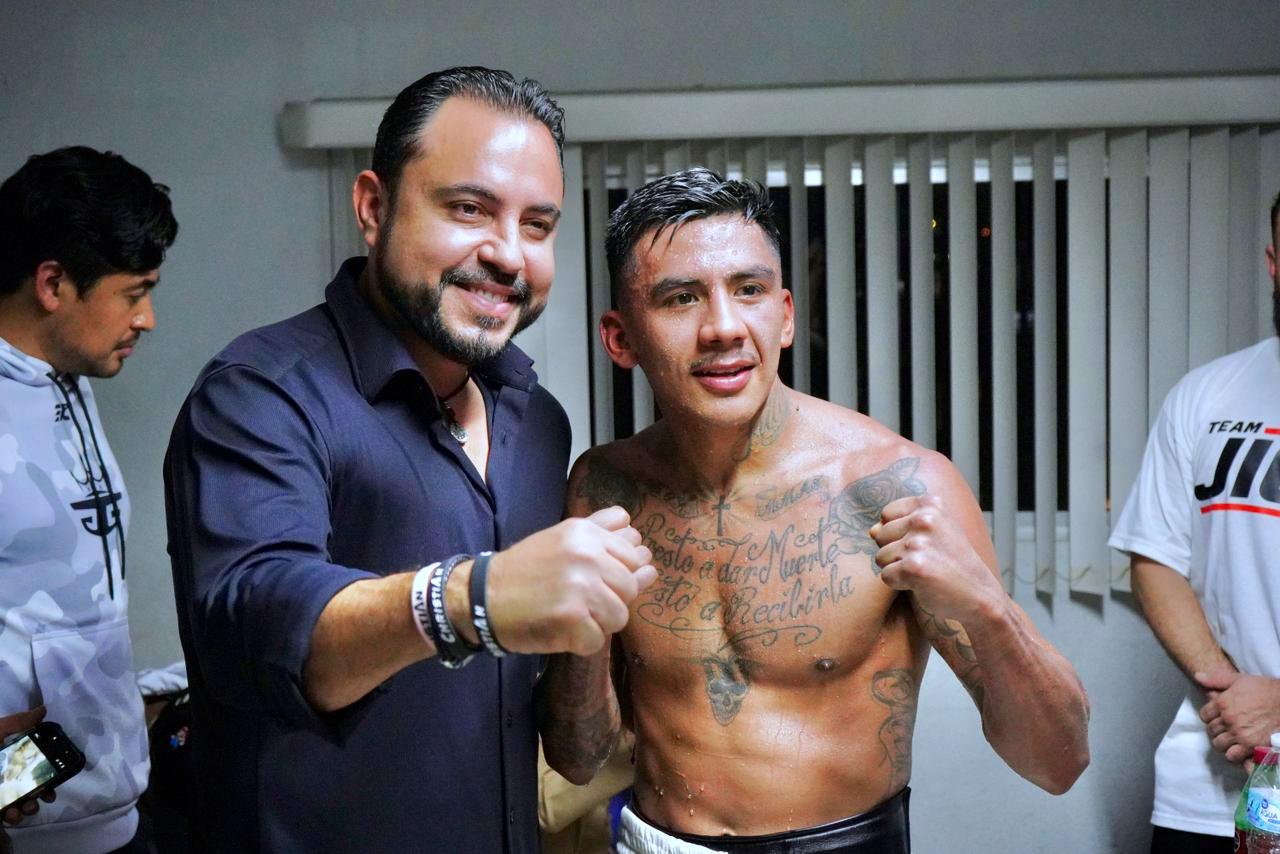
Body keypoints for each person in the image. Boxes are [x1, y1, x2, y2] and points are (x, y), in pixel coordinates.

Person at [163, 66, 654, 853]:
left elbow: (557, 736)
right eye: (469, 209)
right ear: (373, 206)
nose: (508, 254)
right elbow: (259, 618)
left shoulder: (540, 425)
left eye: (537, 225)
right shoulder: (261, 393)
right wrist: (472, 597)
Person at [541, 168, 1091, 853]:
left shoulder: (897, 487)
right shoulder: (604, 489)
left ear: (786, 315)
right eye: (681, 298)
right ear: (620, 338)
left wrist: (987, 607)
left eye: (749, 290)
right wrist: (586, 636)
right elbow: (578, 759)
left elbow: (1058, 764)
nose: (724, 327)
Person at [0, 146, 178, 853]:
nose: (147, 319)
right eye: (134, 294)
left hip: (112, 807)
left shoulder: (65, 378)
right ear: (53, 283)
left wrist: (124, 698)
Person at [1110, 189, 1280, 854]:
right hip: (1214, 782)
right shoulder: (1207, 395)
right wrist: (1230, 691)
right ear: (1272, 261)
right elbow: (1155, 558)